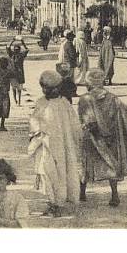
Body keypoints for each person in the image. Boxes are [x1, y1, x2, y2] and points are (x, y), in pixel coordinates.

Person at [78, 69, 127, 207]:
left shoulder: (84, 99)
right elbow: (125, 110)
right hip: (111, 136)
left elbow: (85, 120)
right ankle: (114, 194)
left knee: (86, 164)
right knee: (111, 164)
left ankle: (82, 192)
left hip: (92, 136)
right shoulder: (113, 98)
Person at [27, 70, 83, 217]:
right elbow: (34, 120)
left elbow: (74, 126)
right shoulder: (41, 102)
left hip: (63, 147)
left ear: (57, 88)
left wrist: (75, 141)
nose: (45, 91)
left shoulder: (64, 104)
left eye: (48, 88)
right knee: (47, 172)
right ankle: (52, 202)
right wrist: (36, 132)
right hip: (45, 145)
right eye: (43, 88)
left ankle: (57, 203)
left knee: (61, 173)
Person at [7, 36, 29, 106]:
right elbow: (8, 47)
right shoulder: (13, 55)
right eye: (15, 49)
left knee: (18, 89)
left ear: (19, 50)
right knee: (14, 89)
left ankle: (18, 101)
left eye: (17, 49)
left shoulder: (19, 55)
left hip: (18, 74)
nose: (16, 51)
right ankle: (15, 100)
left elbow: (27, 50)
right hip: (15, 74)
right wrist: (13, 40)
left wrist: (22, 42)